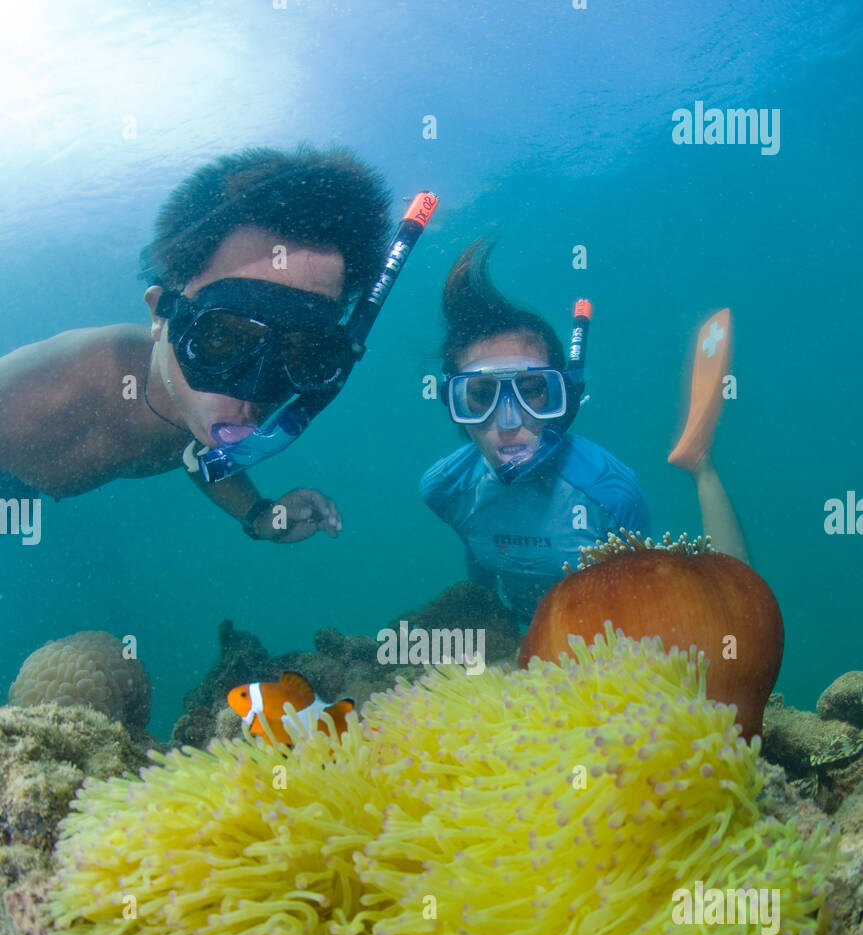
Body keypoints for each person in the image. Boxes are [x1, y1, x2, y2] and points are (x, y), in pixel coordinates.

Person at [0, 147, 392, 544]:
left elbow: (201, 456)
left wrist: (260, 515)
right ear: (160, 314)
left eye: (301, 352)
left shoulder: (203, 400)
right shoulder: (63, 377)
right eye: (222, 338)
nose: (252, 390)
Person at [420, 241, 748, 625]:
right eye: (480, 396)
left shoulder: (611, 493)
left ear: (564, 398)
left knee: (735, 621)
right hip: (521, 629)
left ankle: (699, 463)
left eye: (531, 391)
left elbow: (633, 595)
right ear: (453, 404)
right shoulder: (443, 489)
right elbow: (478, 560)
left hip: (598, 633)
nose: (508, 421)